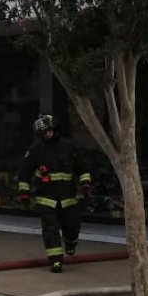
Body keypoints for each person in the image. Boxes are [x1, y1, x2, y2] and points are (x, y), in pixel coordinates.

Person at [17, 114, 91, 273]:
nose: (47, 134)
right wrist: (24, 194)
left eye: (49, 130)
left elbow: (82, 168)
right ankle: (56, 261)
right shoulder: (35, 150)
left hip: (68, 198)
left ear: (54, 129)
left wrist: (85, 184)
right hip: (46, 199)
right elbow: (24, 173)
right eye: (44, 133)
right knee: (50, 230)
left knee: (72, 226)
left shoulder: (69, 146)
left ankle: (71, 243)